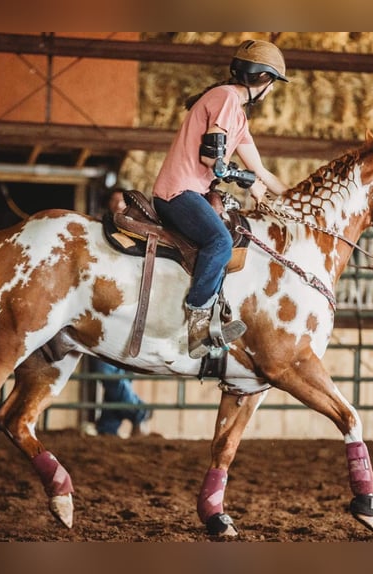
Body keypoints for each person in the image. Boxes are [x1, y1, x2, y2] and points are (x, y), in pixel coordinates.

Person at [152, 39, 290, 359]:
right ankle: (198, 323)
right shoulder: (227, 98)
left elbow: (262, 171)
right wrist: (246, 181)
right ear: (264, 79)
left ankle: (213, 315)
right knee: (220, 242)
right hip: (178, 191)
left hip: (191, 191)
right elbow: (211, 160)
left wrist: (297, 196)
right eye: (273, 85)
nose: (271, 92)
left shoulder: (237, 115)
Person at [89, 188, 151, 437]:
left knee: (118, 373)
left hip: (129, 310)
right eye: (113, 201)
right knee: (108, 371)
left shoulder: (139, 233)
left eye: (122, 201)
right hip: (107, 310)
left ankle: (108, 428)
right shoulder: (102, 231)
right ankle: (138, 413)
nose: (118, 205)